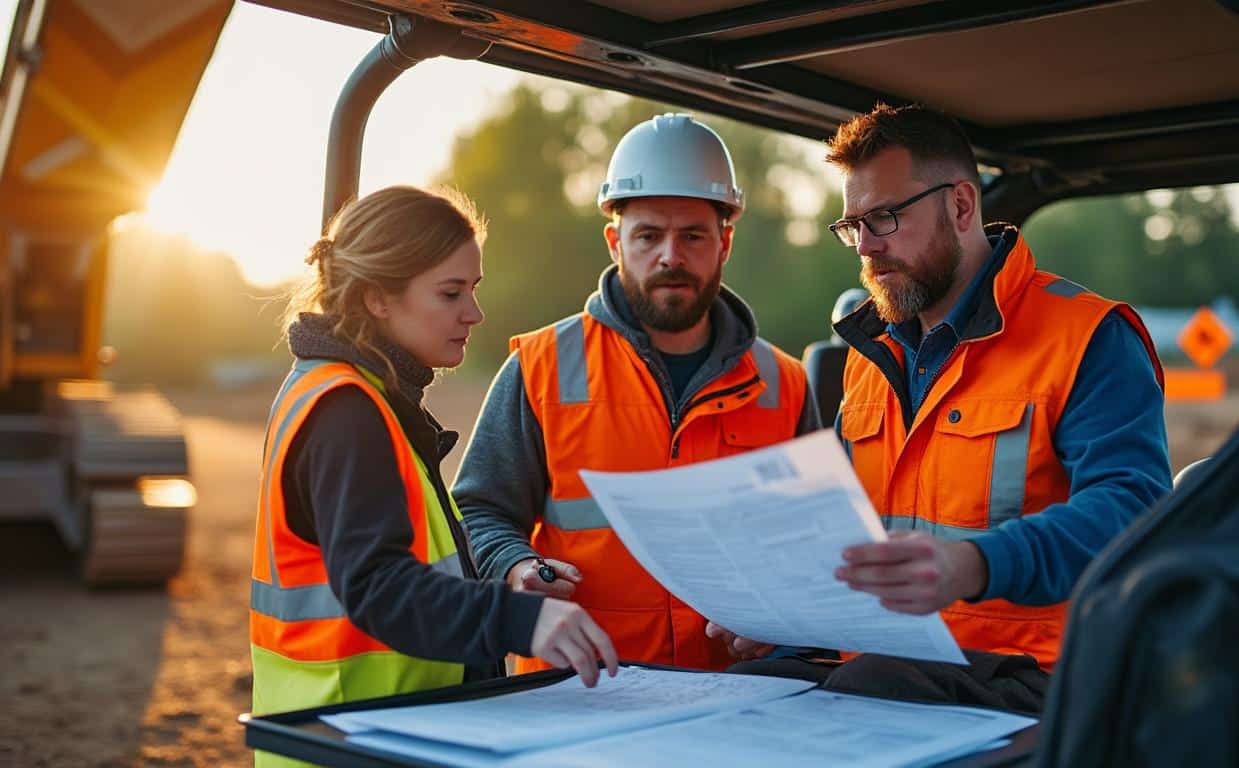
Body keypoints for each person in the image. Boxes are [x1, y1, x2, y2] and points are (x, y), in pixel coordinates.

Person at [722, 104, 1171, 713]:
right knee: (738, 694)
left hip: (1037, 677)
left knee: (864, 690)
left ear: (961, 205)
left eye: (884, 218)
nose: (868, 249)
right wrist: (785, 610)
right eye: (853, 227)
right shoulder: (869, 357)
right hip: (883, 661)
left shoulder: (1089, 337)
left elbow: (1131, 511)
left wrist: (974, 564)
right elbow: (847, 529)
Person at [454, 114, 821, 674]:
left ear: (724, 242)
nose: (670, 256)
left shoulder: (786, 384)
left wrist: (780, 614)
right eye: (648, 235)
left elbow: (812, 542)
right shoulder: (540, 367)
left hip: (736, 700)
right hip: (579, 698)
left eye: (693, 235)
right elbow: (481, 508)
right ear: (615, 242)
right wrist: (515, 566)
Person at [249, 187, 618, 742]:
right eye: (451, 294)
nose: (474, 313)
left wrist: (505, 583)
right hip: (357, 740)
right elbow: (378, 584)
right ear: (378, 298)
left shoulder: (360, 395)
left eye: (473, 289)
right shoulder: (346, 412)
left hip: (378, 731)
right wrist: (516, 620)